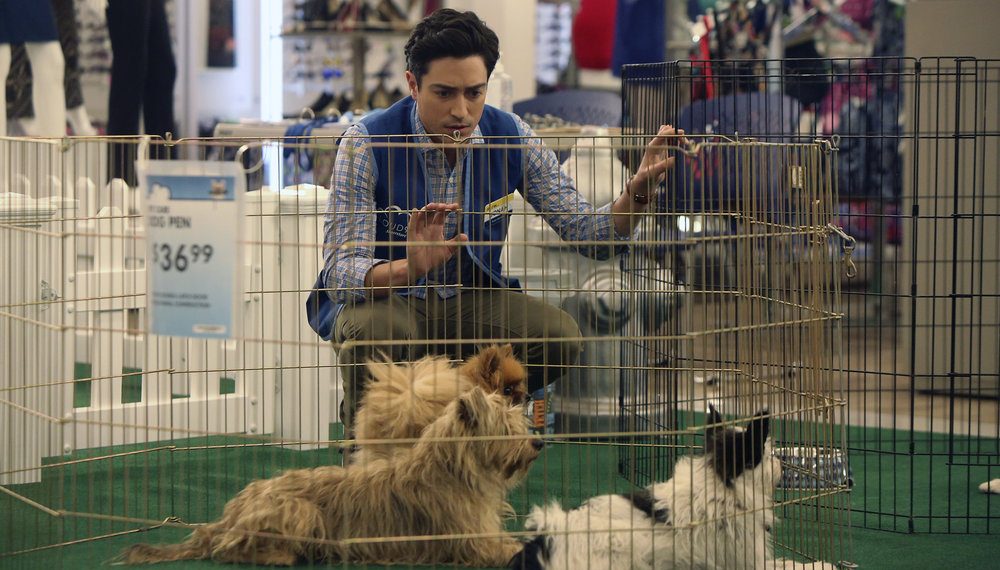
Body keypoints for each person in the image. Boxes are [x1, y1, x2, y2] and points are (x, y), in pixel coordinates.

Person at [306, 8, 683, 432]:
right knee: (375, 334)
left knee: (560, 338)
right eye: (444, 93)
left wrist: (638, 192)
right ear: (413, 84)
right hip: (389, 302)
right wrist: (409, 267)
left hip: (471, 295)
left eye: (474, 92)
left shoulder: (512, 134)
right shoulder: (366, 142)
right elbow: (340, 275)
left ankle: (463, 429)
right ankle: (368, 453)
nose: (462, 111)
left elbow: (591, 236)